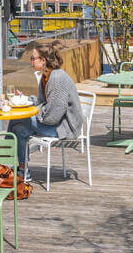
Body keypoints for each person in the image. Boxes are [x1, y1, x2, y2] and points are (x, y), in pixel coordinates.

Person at [10, 42, 85, 172]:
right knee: (18, 129)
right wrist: (26, 100)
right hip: (54, 123)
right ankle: (23, 169)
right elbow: (43, 103)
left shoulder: (56, 78)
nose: (31, 61)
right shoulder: (46, 76)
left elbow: (52, 117)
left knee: (18, 118)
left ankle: (3, 158)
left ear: (43, 60)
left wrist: (34, 111)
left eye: (33, 58)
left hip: (65, 127)